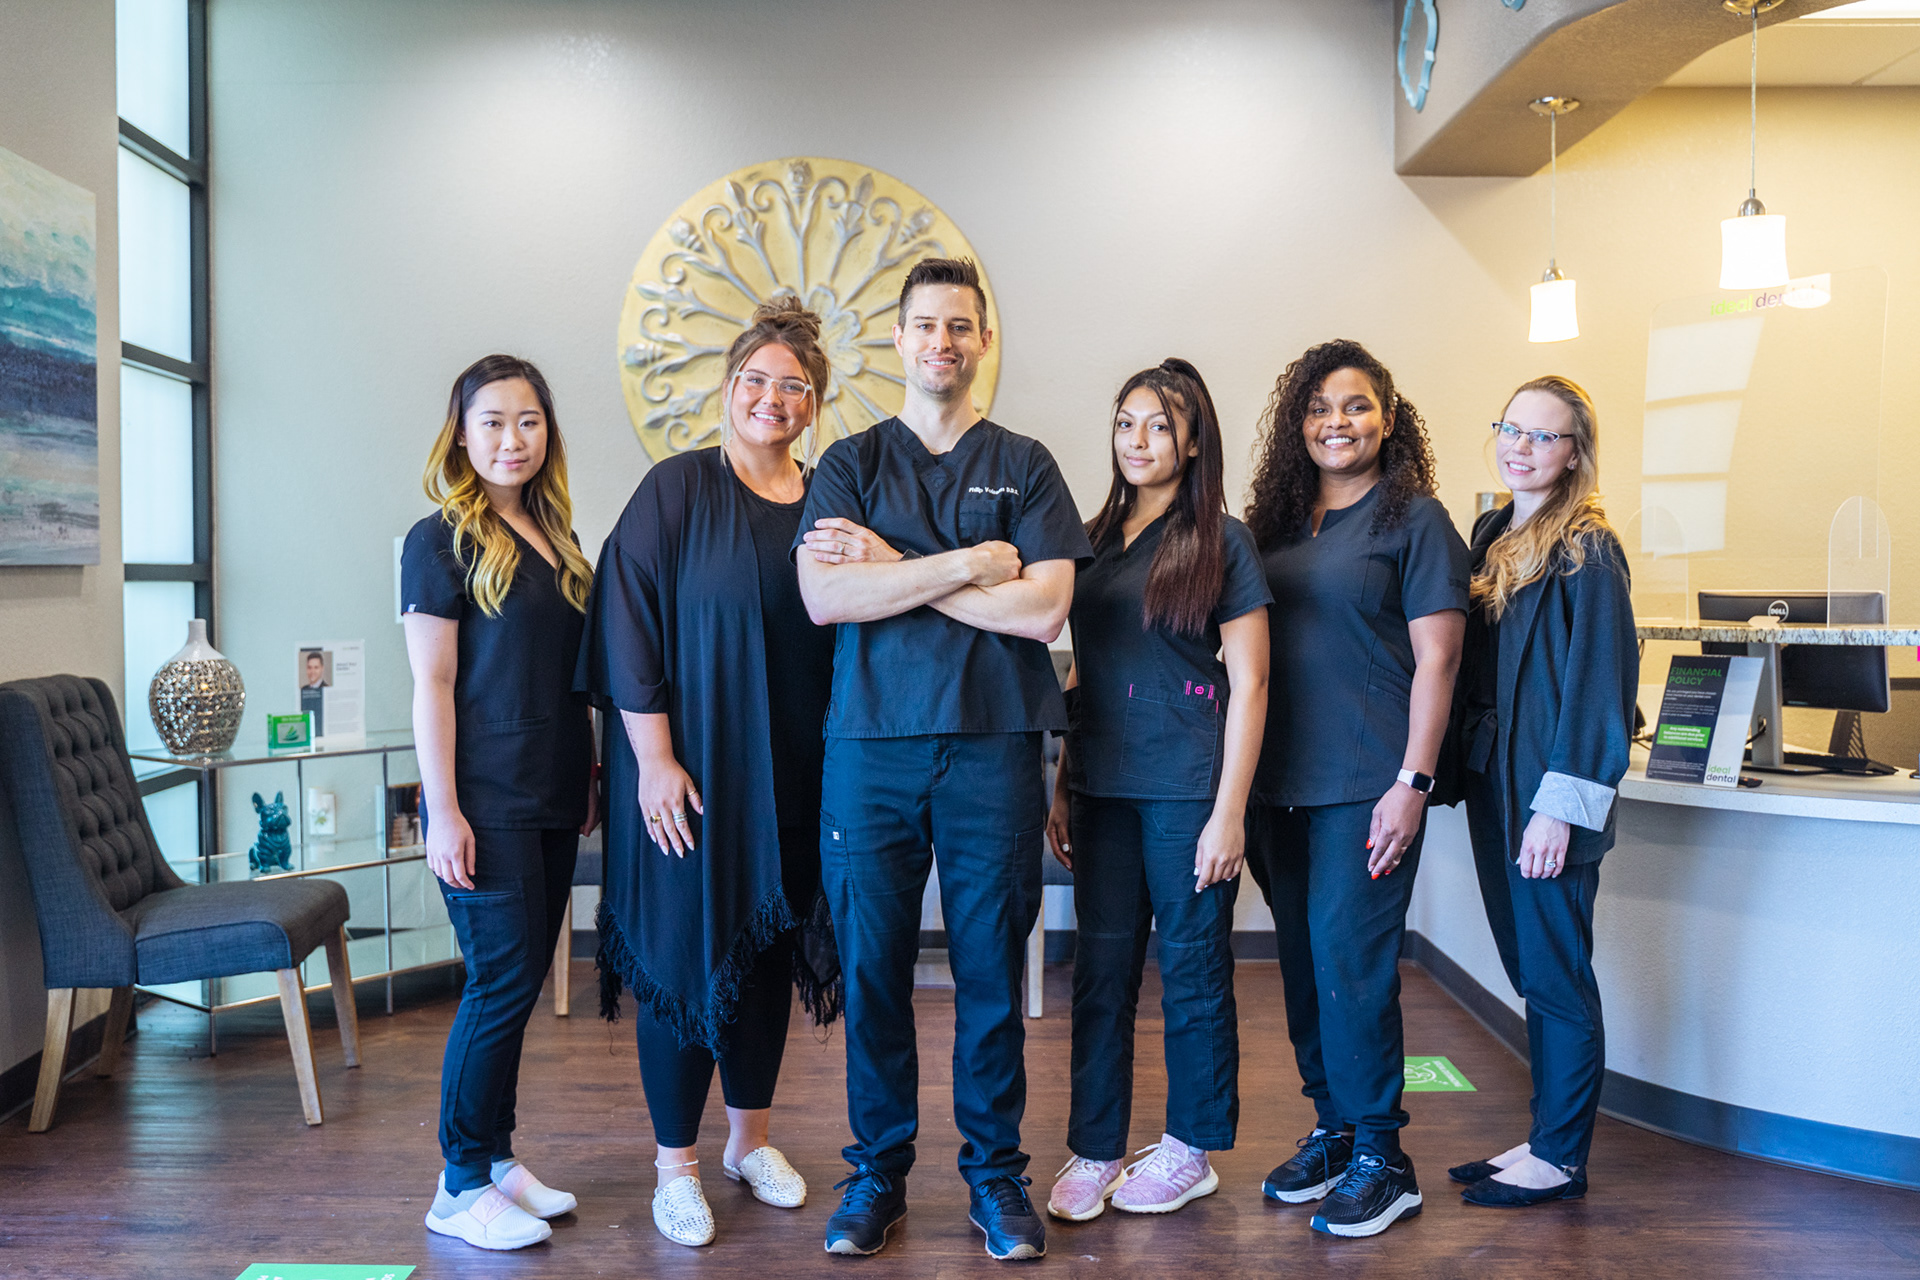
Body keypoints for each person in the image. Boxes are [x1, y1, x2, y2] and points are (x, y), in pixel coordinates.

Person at [793, 257, 1093, 1261]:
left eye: (960, 325)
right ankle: (877, 1171)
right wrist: (969, 564)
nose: (942, 342)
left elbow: (1045, 608)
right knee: (873, 971)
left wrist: (891, 566)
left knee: (989, 977)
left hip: (992, 749)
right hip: (869, 751)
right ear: (897, 339)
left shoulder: (1027, 463)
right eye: (925, 324)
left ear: (983, 340)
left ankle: (996, 1177)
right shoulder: (847, 462)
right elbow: (828, 599)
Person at [578, 299, 846, 1248]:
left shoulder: (826, 500)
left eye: (793, 387)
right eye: (756, 381)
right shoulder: (678, 491)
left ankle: (749, 1142)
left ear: (813, 407)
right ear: (729, 390)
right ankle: (674, 1167)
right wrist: (652, 759)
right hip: (686, 775)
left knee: (765, 950)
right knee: (683, 958)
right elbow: (627, 618)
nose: (771, 398)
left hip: (791, 776)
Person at [1242, 338, 1468, 1239]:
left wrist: (1412, 781)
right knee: (1303, 964)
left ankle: (1385, 1154)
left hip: (1366, 786)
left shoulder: (1416, 521)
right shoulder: (1277, 525)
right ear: (1298, 425)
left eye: (1358, 405)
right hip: (1277, 787)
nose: (1338, 421)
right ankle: (1333, 1127)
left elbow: (1439, 658)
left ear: (1389, 415)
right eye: (1320, 408)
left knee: (1353, 966)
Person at [1043, 359, 1270, 1223]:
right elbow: (1083, 677)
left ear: (1193, 439)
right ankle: (1097, 1145)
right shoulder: (1092, 534)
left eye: (1160, 425)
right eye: (1126, 422)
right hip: (1102, 785)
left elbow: (1250, 685)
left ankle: (1191, 1147)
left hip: (1187, 791)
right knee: (1098, 972)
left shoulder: (1222, 539)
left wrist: (1229, 814)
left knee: (1193, 970)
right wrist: (1065, 787)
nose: (1139, 440)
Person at [402, 354, 598, 1251]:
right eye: (491, 422)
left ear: (546, 432)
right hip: (486, 802)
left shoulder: (558, 537)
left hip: (554, 793)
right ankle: (458, 1184)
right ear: (462, 433)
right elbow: (432, 684)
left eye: (527, 421)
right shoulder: (437, 540)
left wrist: (592, 772)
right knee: (500, 982)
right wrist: (441, 810)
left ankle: (497, 1156)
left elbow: (573, 678)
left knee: (514, 989)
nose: (510, 439)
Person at [1449, 376, 1636, 1208]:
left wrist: (1562, 807)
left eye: (1543, 436)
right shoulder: (1495, 532)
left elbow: (1602, 687)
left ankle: (1561, 1156)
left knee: (1557, 971)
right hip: (1496, 782)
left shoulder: (1586, 548)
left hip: (1546, 796)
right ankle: (1542, 1134)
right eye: (1510, 428)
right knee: (1529, 964)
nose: (1519, 446)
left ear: (1574, 455)